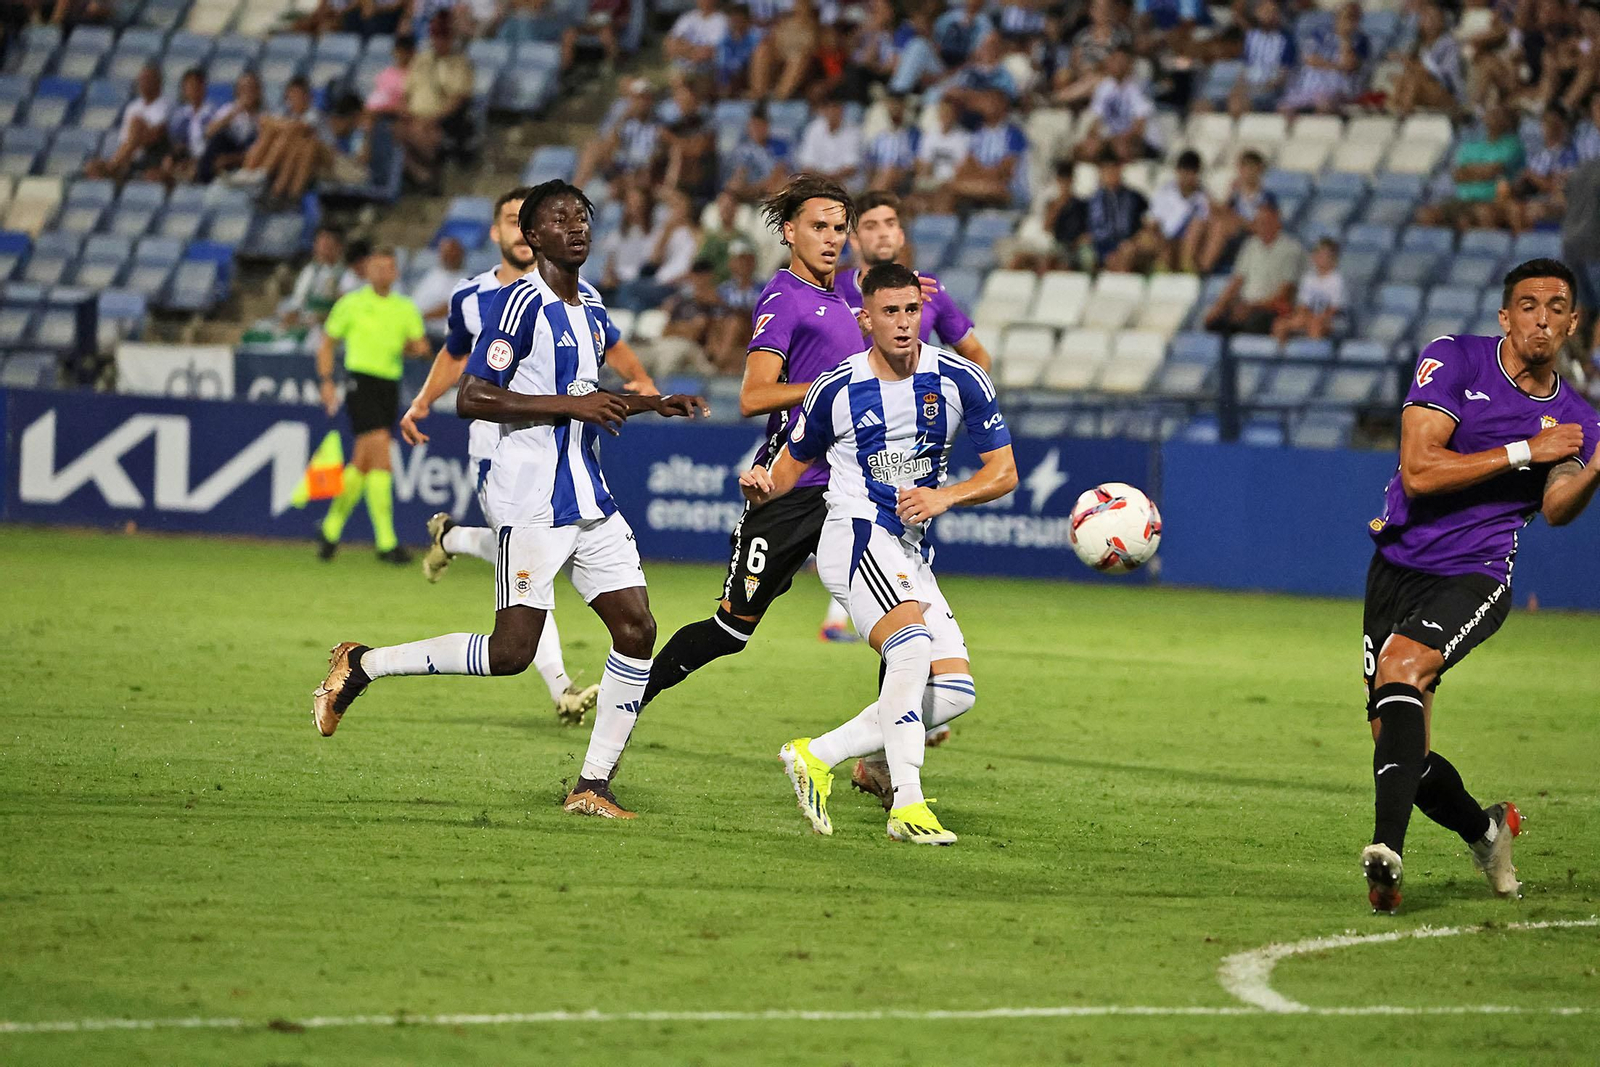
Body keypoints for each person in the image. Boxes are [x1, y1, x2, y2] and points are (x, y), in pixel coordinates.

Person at [312, 182, 710, 823]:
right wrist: (570, 406)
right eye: (560, 219)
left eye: (582, 217)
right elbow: (472, 397)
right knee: (510, 654)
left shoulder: (594, 306)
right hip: (531, 504)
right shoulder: (518, 306)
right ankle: (364, 663)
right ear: (532, 234)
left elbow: (587, 391)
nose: (576, 227)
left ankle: (593, 786)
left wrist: (652, 401)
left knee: (637, 629)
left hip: (590, 496)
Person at [739, 261, 1017, 844]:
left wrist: (948, 496)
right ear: (866, 319)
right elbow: (789, 468)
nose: (902, 323)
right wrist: (764, 484)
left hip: (911, 551)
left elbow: (1004, 472)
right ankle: (908, 805)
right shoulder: (834, 388)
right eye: (889, 312)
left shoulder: (962, 379)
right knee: (910, 649)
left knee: (956, 692)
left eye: (911, 310)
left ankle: (817, 753)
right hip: (854, 535)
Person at [1359, 258, 1600, 913]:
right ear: (1505, 316)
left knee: (1403, 668)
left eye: (1556, 306)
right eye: (1527, 305)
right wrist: (1525, 450)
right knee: (1399, 750)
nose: (1541, 318)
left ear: (1573, 322)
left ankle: (1386, 854)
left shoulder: (1577, 416)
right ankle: (1487, 832)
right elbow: (1418, 471)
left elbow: (1556, 506)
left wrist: (1595, 465)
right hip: (1397, 565)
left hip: (1475, 573)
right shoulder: (1454, 359)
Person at [401, 187, 657, 723]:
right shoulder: (476, 298)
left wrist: (643, 389)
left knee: (551, 586)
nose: (575, 227)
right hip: (501, 455)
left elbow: (604, 349)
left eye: (581, 218)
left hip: (573, 469)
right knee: (520, 590)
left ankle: (449, 539)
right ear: (508, 232)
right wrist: (424, 400)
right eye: (518, 219)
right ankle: (559, 682)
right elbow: (460, 365)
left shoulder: (586, 297)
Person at [641, 174, 862, 712]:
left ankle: (886, 761)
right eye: (817, 227)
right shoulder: (785, 297)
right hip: (792, 488)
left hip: (851, 487)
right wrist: (832, 389)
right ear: (789, 231)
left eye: (839, 228)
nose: (831, 238)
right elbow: (754, 395)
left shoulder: (847, 299)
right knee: (729, 631)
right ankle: (630, 698)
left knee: (901, 624)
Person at [315, 247, 432, 564]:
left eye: (388, 268)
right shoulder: (351, 303)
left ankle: (330, 529)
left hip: (388, 386)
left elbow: (419, 346)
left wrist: (416, 347)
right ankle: (386, 543)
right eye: (376, 267)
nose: (382, 273)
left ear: (396, 273)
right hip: (360, 383)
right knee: (380, 454)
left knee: (363, 462)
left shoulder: (405, 308)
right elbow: (327, 343)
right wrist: (327, 381)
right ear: (367, 272)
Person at [1203, 198, 1304, 335]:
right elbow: (1237, 281)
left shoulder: (1291, 249)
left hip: (1271, 310)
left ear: (1276, 221)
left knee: (1253, 322)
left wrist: (1252, 307)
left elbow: (1285, 294)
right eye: (1259, 222)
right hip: (1246, 306)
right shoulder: (1250, 245)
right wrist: (1219, 307)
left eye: (1266, 222)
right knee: (1214, 322)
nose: (1262, 226)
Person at [1107, 147, 1208, 273]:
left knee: (1167, 250)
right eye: (1183, 172)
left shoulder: (1203, 199)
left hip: (1184, 244)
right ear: (1177, 171)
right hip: (1160, 238)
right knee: (1126, 249)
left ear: (1196, 174)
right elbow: (1151, 221)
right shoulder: (1165, 192)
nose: (1186, 177)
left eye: (1190, 173)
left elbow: (1199, 229)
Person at [85, 63, 171, 180]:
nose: (142, 83)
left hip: (152, 156)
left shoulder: (166, 105)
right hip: (129, 156)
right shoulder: (133, 107)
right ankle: (114, 166)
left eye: (147, 79)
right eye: (140, 79)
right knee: (92, 167)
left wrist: (134, 140)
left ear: (158, 82)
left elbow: (154, 136)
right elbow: (126, 140)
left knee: (137, 123)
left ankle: (112, 166)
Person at [1272, 236, 1345, 341]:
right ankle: (1282, 355)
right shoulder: (1308, 278)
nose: (1321, 258)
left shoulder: (1337, 279)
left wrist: (1314, 319)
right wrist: (1303, 317)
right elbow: (1303, 305)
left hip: (1334, 321)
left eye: (1325, 255)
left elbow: (1334, 310)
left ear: (1333, 259)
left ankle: (1313, 355)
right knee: (1280, 324)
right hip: (1310, 317)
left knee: (1315, 325)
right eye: (1318, 254)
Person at [410, 235, 466, 337]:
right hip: (420, 328)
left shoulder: (466, 280)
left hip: (441, 334)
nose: (447, 256)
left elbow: (449, 307)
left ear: (460, 254)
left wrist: (420, 317)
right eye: (444, 252)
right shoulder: (434, 274)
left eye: (451, 252)